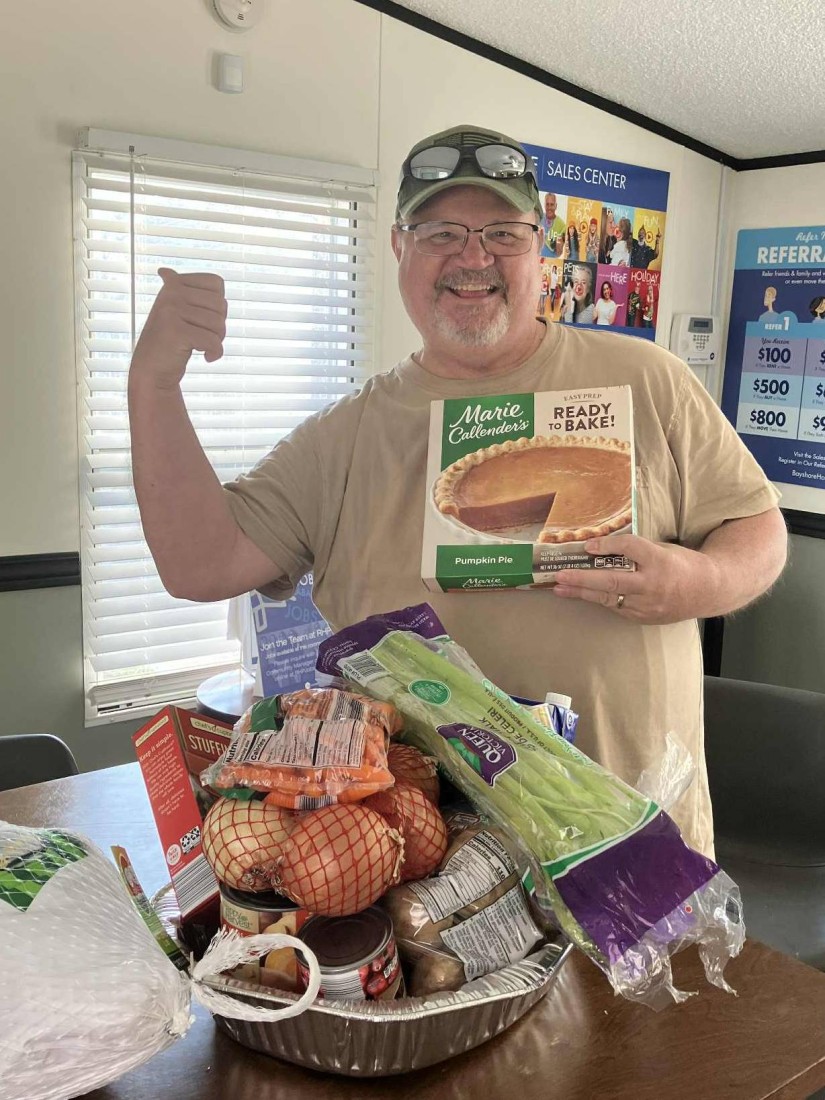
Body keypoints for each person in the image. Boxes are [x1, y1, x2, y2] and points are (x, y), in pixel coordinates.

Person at [128, 123, 787, 858]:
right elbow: (199, 563)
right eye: (440, 231)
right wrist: (153, 382)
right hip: (412, 865)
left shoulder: (646, 379)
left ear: (542, 248)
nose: (472, 257)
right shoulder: (343, 436)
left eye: (502, 232)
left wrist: (699, 580)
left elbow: (754, 526)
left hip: (632, 844)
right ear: (398, 249)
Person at [540, 192, 565, 258]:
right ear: (544, 205)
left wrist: (558, 244)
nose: (549, 207)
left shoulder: (561, 224)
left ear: (556, 206)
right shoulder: (539, 217)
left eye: (552, 204)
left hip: (551, 262)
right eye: (547, 204)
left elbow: (559, 253)